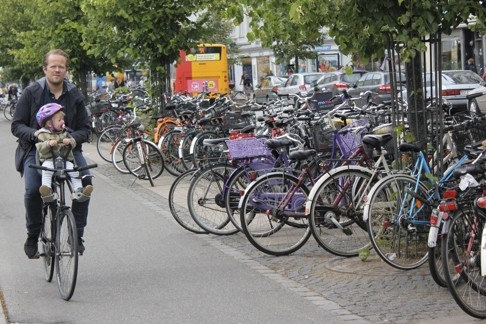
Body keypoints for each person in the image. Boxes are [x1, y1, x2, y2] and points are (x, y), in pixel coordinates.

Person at [11, 49, 92, 258]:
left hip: (68, 149)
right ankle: (33, 234)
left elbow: (85, 127)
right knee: (33, 190)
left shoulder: (74, 94)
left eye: (61, 66)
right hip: (36, 149)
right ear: (45, 68)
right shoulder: (32, 92)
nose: (57, 70)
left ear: (66, 69)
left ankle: (76, 234)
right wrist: (36, 133)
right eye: (53, 66)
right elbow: (17, 125)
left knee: (85, 181)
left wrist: (73, 140)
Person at [34, 103, 93, 203]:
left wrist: (70, 142)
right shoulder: (42, 134)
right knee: (47, 171)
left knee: (74, 171)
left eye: (62, 119)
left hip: (65, 159)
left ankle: (78, 191)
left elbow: (73, 142)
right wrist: (48, 144)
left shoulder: (65, 133)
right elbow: (40, 148)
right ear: (49, 124)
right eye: (59, 120)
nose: (63, 122)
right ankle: (47, 191)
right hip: (50, 160)